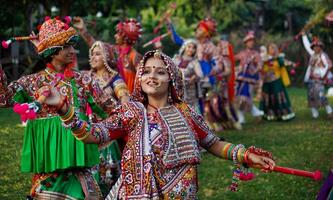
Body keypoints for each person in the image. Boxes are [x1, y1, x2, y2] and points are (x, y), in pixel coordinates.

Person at [41, 50, 276, 199]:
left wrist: (246, 155)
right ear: (140, 79)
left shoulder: (186, 112)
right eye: (147, 72)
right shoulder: (132, 111)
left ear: (171, 79)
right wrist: (64, 109)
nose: (152, 76)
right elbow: (96, 134)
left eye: (161, 72)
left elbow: (213, 143)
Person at [0, 18, 103, 199]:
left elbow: (108, 109)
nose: (73, 51)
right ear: (53, 52)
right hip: (48, 171)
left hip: (81, 168)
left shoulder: (84, 80)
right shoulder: (32, 82)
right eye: (66, 47)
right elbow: (3, 99)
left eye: (72, 46)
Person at [84, 41, 130, 196]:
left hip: (108, 137)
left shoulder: (114, 79)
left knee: (109, 178)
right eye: (92, 54)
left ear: (107, 57)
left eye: (98, 54)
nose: (93, 57)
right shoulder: (85, 78)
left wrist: (118, 112)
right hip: (87, 134)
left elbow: (125, 101)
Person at [74, 17, 142, 93]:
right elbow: (97, 46)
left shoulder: (135, 56)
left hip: (127, 96)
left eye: (118, 34)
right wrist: (83, 30)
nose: (115, 36)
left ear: (125, 37)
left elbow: (141, 80)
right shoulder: (114, 50)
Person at [259, 43, 295, 121]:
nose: (271, 50)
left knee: (278, 97)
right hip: (267, 82)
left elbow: (284, 63)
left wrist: (291, 64)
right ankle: (270, 114)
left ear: (275, 49)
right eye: (270, 48)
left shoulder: (279, 58)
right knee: (268, 98)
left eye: (273, 48)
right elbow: (261, 64)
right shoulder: (265, 57)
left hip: (276, 81)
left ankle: (283, 114)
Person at [235, 31, 264, 124]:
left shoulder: (256, 54)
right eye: (249, 41)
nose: (251, 42)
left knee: (245, 98)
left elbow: (260, 65)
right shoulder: (242, 53)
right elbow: (233, 60)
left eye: (252, 41)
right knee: (238, 98)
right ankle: (242, 117)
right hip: (240, 79)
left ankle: (256, 113)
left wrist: (254, 70)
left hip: (250, 79)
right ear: (245, 43)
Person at [301, 33, 333, 119]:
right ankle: (315, 113)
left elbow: (329, 65)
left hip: (319, 79)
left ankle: (330, 111)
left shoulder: (323, 55)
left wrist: (324, 75)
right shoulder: (312, 54)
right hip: (311, 78)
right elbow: (307, 46)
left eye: (318, 46)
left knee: (320, 94)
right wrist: (304, 36)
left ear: (321, 47)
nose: (316, 48)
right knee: (311, 95)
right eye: (314, 46)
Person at [173, 39, 202, 114]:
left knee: (192, 113)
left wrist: (195, 77)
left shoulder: (194, 62)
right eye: (189, 47)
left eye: (193, 48)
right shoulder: (176, 59)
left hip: (190, 93)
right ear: (184, 47)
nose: (191, 49)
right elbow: (168, 68)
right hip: (177, 92)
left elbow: (200, 74)